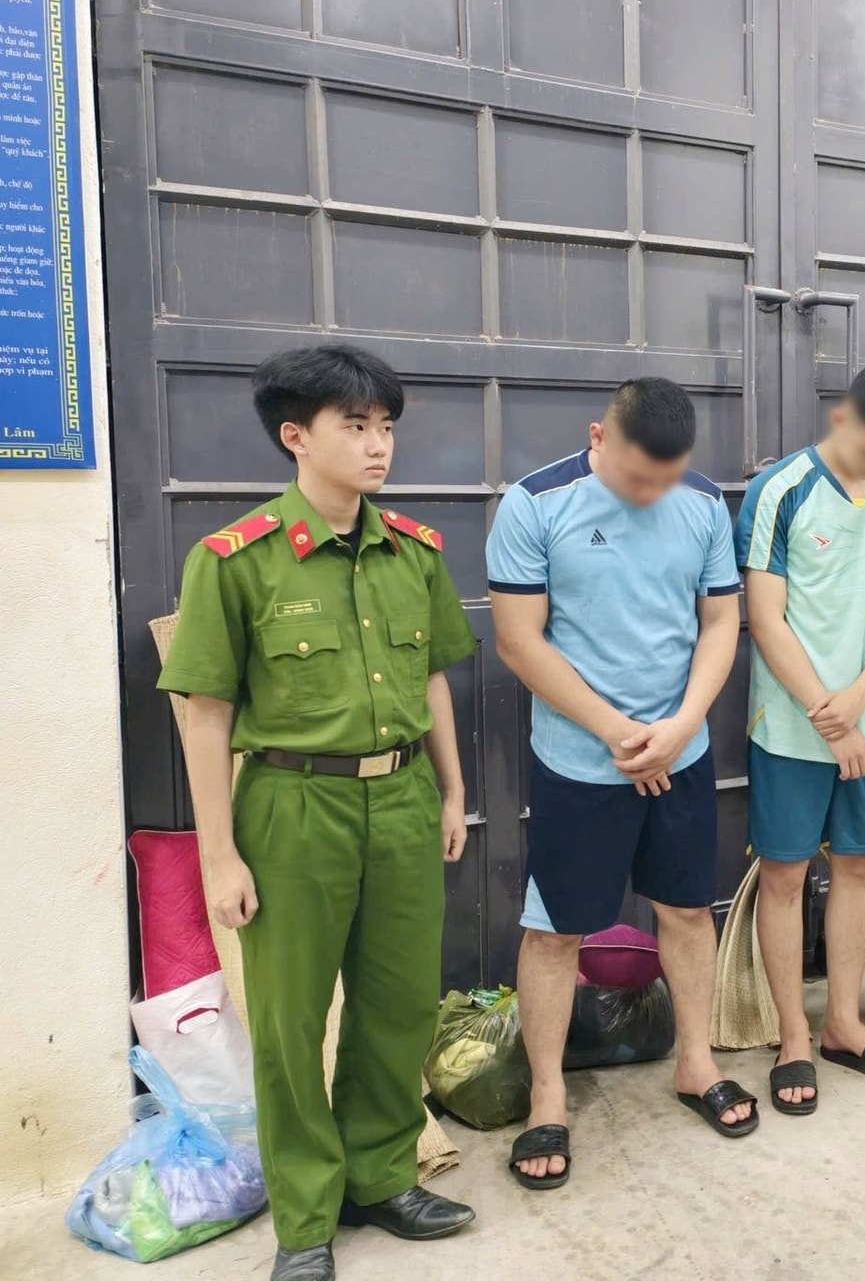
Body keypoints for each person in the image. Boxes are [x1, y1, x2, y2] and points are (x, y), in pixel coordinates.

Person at [157, 346, 478, 1281]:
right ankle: (305, 1218)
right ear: (296, 436)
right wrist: (219, 855)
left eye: (387, 426)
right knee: (292, 1023)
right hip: (293, 808)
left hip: (404, 799)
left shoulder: (414, 552)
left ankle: (381, 1177)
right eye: (357, 425)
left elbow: (434, 680)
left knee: (399, 1004)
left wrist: (454, 791)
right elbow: (206, 716)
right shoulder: (234, 561)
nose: (379, 446)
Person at [486, 378, 758, 1176]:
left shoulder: (702, 503)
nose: (650, 494)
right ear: (597, 437)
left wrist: (682, 725)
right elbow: (519, 640)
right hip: (580, 762)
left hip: (681, 753)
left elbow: (721, 621)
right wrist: (615, 730)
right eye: (638, 477)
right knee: (555, 930)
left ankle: (696, 1061)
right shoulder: (534, 505)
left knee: (687, 910)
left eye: (664, 478)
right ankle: (547, 1095)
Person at [736, 364, 865, 1111]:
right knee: (784, 877)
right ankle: (793, 1036)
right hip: (791, 729)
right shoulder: (780, 490)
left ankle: (843, 1023)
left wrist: (859, 700)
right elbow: (764, 618)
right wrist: (827, 711)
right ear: (842, 418)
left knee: (858, 867)